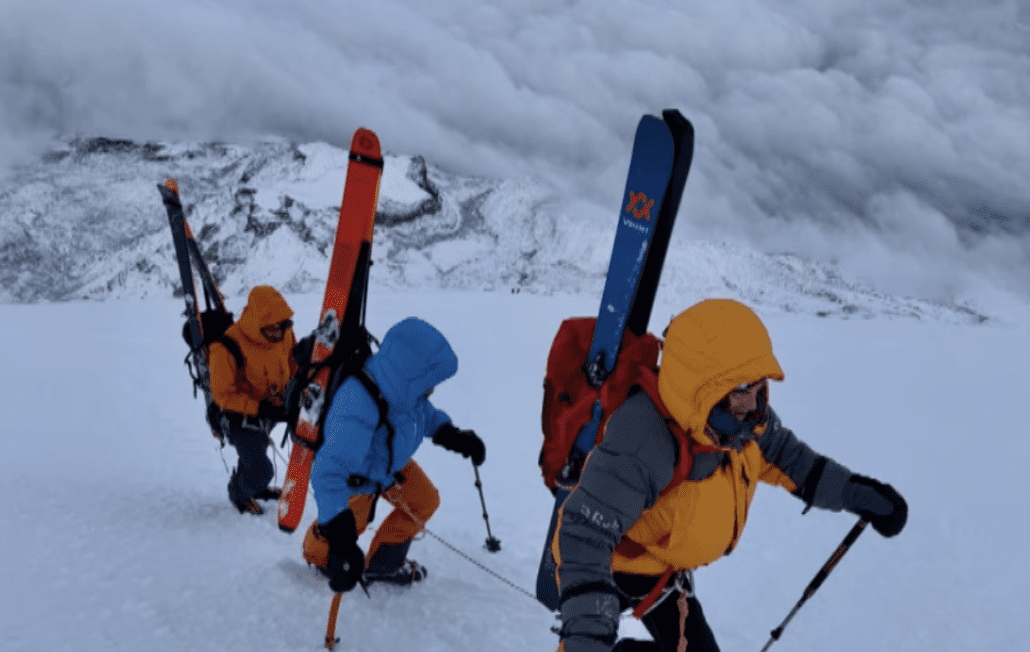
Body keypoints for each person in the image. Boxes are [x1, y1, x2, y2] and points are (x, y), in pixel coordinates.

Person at [552, 299, 908, 652]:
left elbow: (791, 460)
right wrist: (588, 634)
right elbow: (585, 533)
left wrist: (854, 492)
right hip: (614, 566)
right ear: (703, 388)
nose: (754, 405)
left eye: (759, 388)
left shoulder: (742, 424)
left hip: (663, 574)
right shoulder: (646, 438)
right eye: (741, 390)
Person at [308, 317, 486, 592]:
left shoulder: (407, 393)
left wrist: (452, 435)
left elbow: (424, 415)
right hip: (355, 479)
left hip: (389, 468)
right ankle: (317, 552)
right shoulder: (357, 403)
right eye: (430, 381)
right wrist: (342, 543)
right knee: (332, 548)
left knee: (424, 501)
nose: (433, 389)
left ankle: (382, 564)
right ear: (411, 373)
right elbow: (328, 474)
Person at [209, 285, 297, 515]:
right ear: (260, 323)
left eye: (286, 324)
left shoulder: (284, 334)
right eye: (277, 328)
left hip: (274, 410)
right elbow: (223, 394)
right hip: (242, 417)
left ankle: (255, 485)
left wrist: (296, 392)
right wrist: (260, 407)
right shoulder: (226, 347)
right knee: (260, 469)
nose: (283, 333)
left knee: (257, 454)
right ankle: (239, 493)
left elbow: (293, 364)